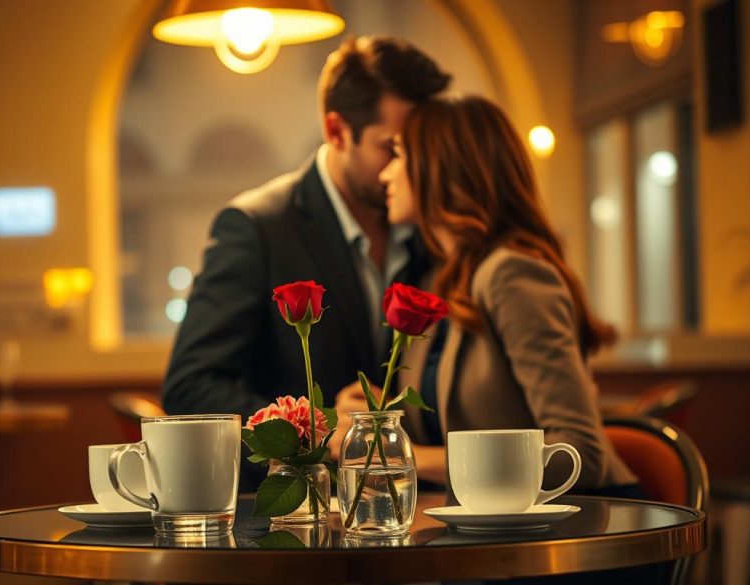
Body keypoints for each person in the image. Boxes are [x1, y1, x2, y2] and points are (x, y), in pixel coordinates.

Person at [162, 36, 451, 489]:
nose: (409, 166)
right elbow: (191, 389)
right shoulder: (257, 226)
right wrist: (315, 431)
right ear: (336, 131)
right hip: (293, 517)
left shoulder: (430, 229)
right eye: (392, 149)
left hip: (415, 508)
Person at [380, 95, 641, 497]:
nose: (386, 174)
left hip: (570, 532)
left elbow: (580, 455)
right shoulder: (442, 279)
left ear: (440, 167)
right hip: (491, 530)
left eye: (397, 156)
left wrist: (408, 458)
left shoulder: (510, 273)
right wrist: (376, 419)